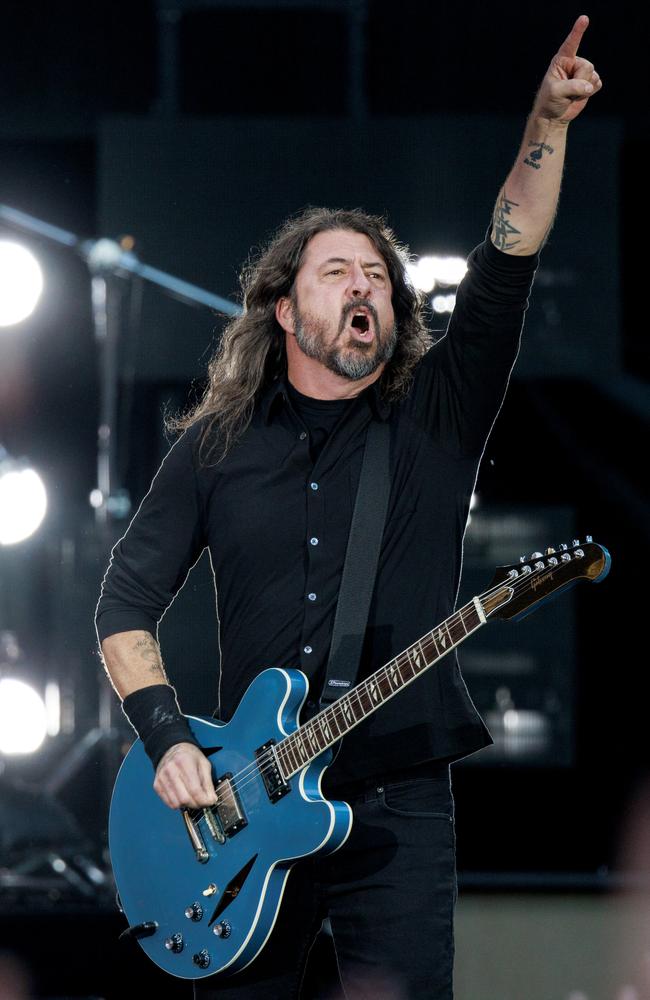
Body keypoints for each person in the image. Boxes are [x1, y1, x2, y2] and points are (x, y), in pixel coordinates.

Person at [96, 15, 602, 1000]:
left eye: (375, 275)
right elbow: (122, 604)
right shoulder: (215, 447)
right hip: (237, 820)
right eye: (337, 271)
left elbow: (505, 263)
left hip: (398, 804)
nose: (362, 283)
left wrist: (546, 124)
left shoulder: (436, 417)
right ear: (284, 308)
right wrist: (168, 744)